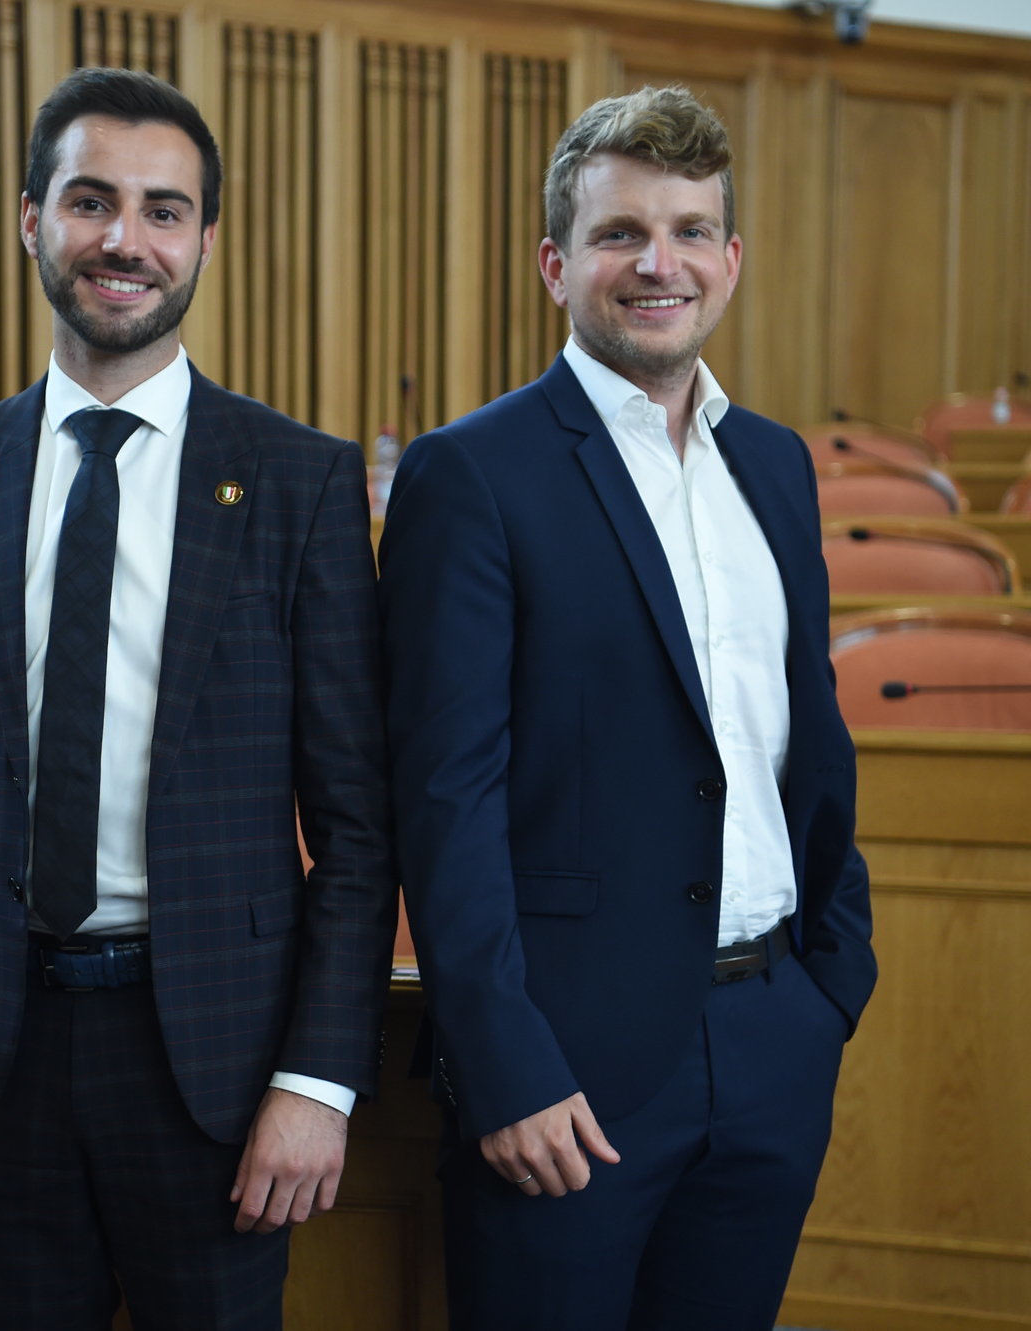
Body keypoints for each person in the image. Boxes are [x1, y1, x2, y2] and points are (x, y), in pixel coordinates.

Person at [0, 66, 396, 1331]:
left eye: (161, 210)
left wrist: (319, 1078)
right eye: (91, 201)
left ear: (205, 239)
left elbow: (360, 829)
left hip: (218, 1063)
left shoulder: (299, 483)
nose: (122, 240)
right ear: (29, 218)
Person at [377, 84, 876, 1331]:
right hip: (567, 1075)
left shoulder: (774, 464)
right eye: (619, 235)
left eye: (690, 230)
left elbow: (795, 738)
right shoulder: (470, 473)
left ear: (730, 258)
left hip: (772, 1040)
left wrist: (830, 982)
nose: (658, 264)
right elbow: (445, 799)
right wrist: (502, 1065)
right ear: (556, 262)